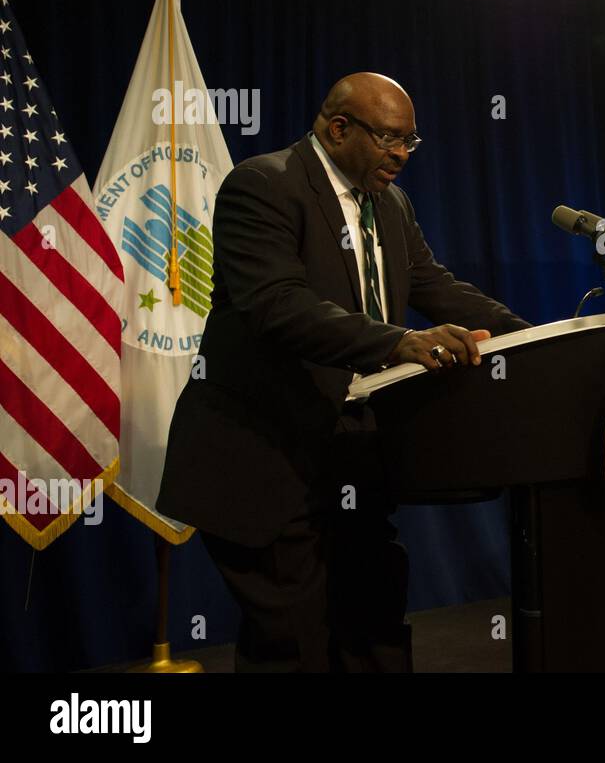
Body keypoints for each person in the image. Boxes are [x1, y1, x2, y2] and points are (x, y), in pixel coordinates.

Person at [156, 72, 529, 672]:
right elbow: (279, 305)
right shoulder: (263, 185)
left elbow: (434, 284)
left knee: (374, 631)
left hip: (350, 462)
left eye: (411, 142)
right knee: (294, 647)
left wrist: (532, 336)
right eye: (390, 140)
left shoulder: (390, 203)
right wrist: (400, 341)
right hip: (265, 462)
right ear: (338, 129)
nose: (403, 155)